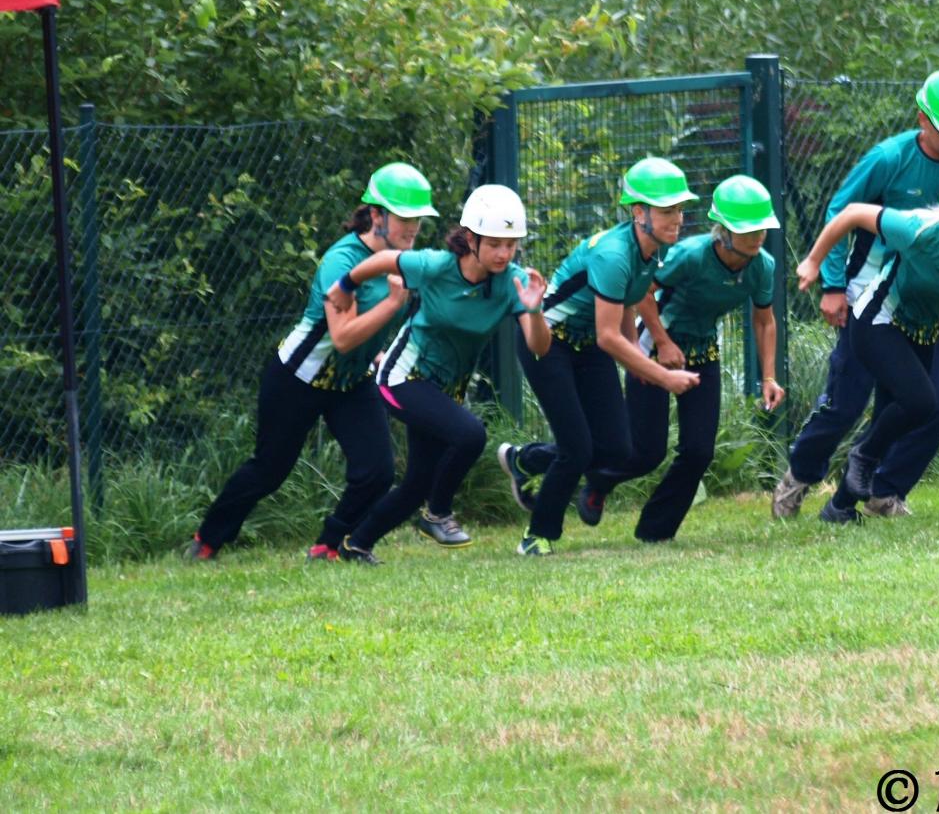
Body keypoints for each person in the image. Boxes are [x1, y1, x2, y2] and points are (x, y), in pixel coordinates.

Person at [772, 68, 939, 519]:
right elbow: (842, 211)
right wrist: (833, 285)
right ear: (922, 118)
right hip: (871, 295)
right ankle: (798, 476)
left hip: (931, 298)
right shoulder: (889, 158)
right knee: (846, 403)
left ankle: (884, 491)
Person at [185, 162, 437, 562]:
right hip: (296, 379)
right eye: (405, 218)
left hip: (350, 382)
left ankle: (330, 545)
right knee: (269, 470)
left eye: (418, 219)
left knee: (377, 471)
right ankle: (207, 540)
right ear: (377, 215)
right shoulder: (341, 262)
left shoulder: (403, 261)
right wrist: (392, 304)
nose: (413, 228)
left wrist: (378, 353)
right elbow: (342, 336)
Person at [796, 160, 939, 520]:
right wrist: (814, 262)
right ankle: (862, 455)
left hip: (922, 332)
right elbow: (853, 212)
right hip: (877, 321)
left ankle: (838, 507)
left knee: (896, 417)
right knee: (922, 402)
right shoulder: (919, 231)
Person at [329, 184, 551, 563]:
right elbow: (385, 261)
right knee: (470, 434)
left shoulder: (512, 282)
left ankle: (355, 545)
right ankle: (438, 513)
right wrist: (346, 285)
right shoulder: (436, 266)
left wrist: (534, 310)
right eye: (494, 243)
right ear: (471, 239)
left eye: (511, 244)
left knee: (417, 484)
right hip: (402, 377)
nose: (504, 253)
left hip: (444, 390)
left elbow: (539, 347)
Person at [497, 157, 701, 557]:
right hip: (550, 343)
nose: (677, 218)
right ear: (638, 212)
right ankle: (537, 536)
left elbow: (626, 304)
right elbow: (609, 337)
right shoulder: (614, 254)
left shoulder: (652, 251)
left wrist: (635, 354)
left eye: (679, 209)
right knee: (577, 450)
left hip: (588, 345)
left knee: (618, 450)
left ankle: (526, 460)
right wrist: (662, 376)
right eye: (667, 210)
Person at [590, 175, 787, 542]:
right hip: (654, 347)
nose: (757, 237)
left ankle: (655, 531)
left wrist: (769, 377)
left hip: (703, 352)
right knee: (645, 451)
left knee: (699, 452)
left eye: (762, 228)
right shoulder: (690, 256)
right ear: (723, 231)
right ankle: (598, 481)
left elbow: (765, 320)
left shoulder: (763, 265)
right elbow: (641, 292)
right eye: (748, 230)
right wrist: (662, 342)